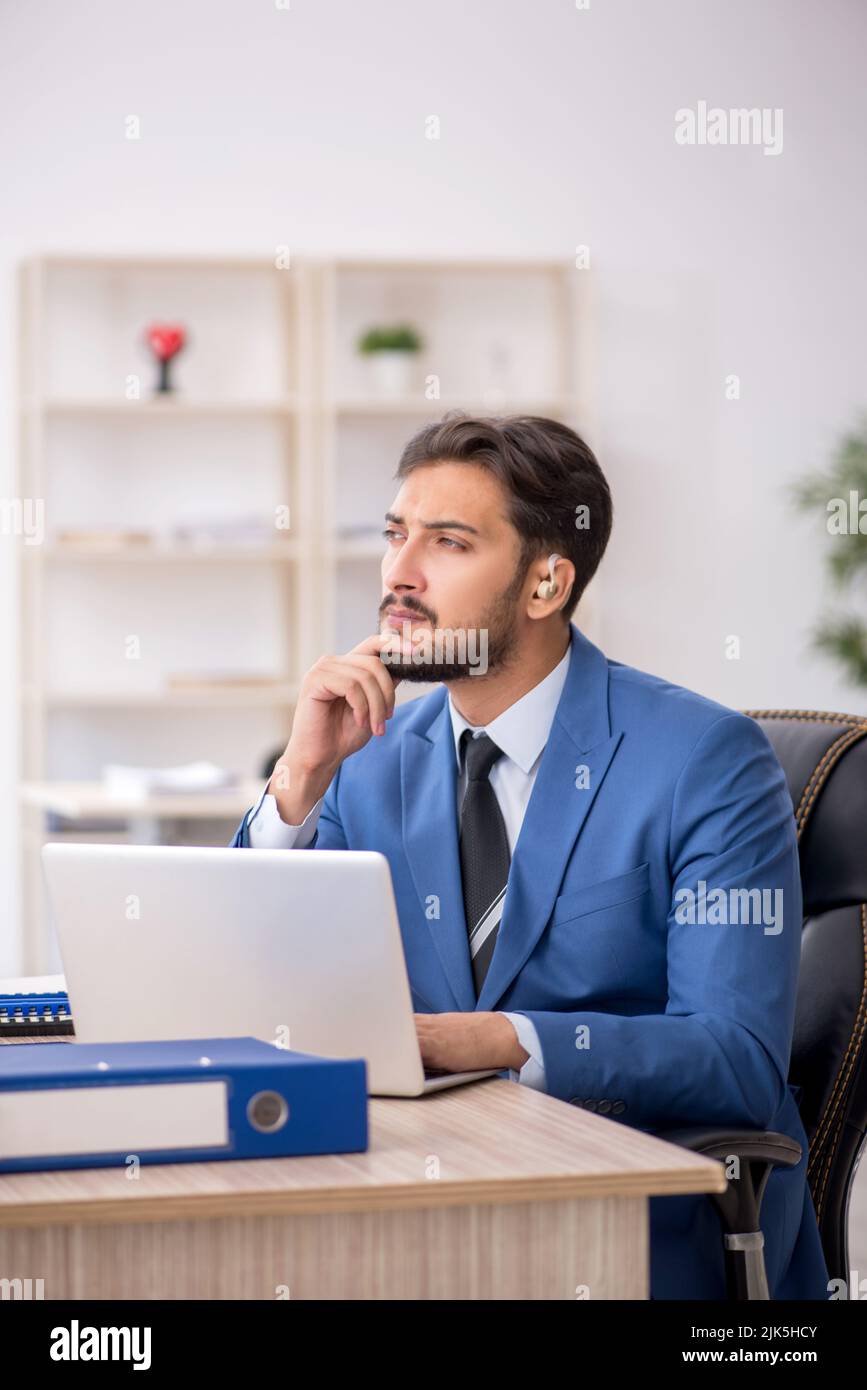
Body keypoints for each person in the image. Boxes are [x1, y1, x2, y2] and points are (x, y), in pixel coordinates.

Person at [230, 412, 829, 1300]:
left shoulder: (706, 760)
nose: (399, 572)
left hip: (630, 1225)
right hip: (415, 1196)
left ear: (546, 582)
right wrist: (300, 779)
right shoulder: (372, 753)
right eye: (396, 536)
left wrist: (487, 1040)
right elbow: (267, 984)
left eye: (448, 543)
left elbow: (735, 1059)